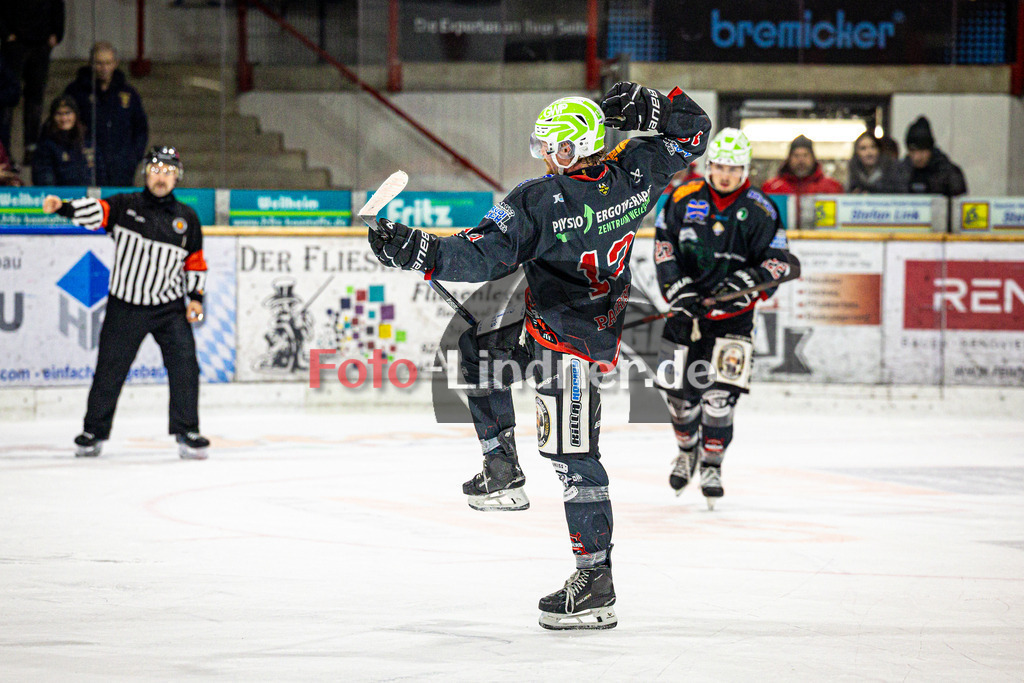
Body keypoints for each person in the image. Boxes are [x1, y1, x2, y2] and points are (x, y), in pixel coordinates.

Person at [368, 82, 711, 630]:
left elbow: (482, 255)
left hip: (566, 349)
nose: (548, 156)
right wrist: (651, 105)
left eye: (554, 146)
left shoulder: (541, 199)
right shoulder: (635, 171)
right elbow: (694, 132)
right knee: (476, 348)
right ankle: (500, 467)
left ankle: (596, 581)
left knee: (574, 461)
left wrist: (416, 248)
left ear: (574, 148)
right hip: (570, 333)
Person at [653, 128, 793, 509]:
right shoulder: (682, 197)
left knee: (719, 398)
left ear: (746, 169)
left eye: (734, 167)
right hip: (686, 313)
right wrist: (681, 291)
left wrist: (740, 287)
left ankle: (713, 463)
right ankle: (687, 451)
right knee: (679, 396)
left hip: (734, 319)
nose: (726, 174)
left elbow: (778, 263)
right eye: (719, 166)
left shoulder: (761, 208)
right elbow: (664, 246)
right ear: (708, 165)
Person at [41, 146, 210, 460]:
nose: (162, 177)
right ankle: (93, 431)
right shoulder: (125, 205)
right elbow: (96, 211)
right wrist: (63, 207)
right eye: (156, 170)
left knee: (185, 366)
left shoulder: (187, 218)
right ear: (146, 172)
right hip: (126, 305)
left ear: (177, 177)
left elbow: (195, 262)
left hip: (169, 307)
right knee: (110, 369)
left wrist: (196, 298)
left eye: (169, 172)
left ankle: (187, 430)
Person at [63, 42, 148, 187]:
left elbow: (140, 129)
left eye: (108, 63)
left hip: (121, 169)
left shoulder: (128, 93)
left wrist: (132, 158)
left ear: (116, 63)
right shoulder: (76, 92)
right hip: (86, 168)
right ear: (90, 63)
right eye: (99, 63)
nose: (104, 68)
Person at [0, 0, 64, 164]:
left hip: (40, 44)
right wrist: (6, 34)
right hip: (15, 45)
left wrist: (57, 33)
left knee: (35, 98)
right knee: (7, 98)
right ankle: (4, 150)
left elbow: (57, 7)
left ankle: (31, 147)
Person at [898, 116, 967, 197]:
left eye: (922, 151)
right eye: (912, 152)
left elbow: (958, 204)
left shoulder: (948, 174)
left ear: (930, 149)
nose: (917, 157)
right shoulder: (901, 172)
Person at [31, 95, 91, 186]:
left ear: (76, 115)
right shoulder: (45, 146)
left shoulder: (86, 141)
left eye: (68, 113)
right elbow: (44, 179)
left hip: (87, 197)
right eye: (59, 114)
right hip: (59, 198)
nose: (64, 119)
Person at [761, 134, 844, 196]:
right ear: (789, 158)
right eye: (796, 155)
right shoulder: (772, 188)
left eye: (805, 155)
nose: (801, 160)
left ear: (813, 158)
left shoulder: (831, 187)